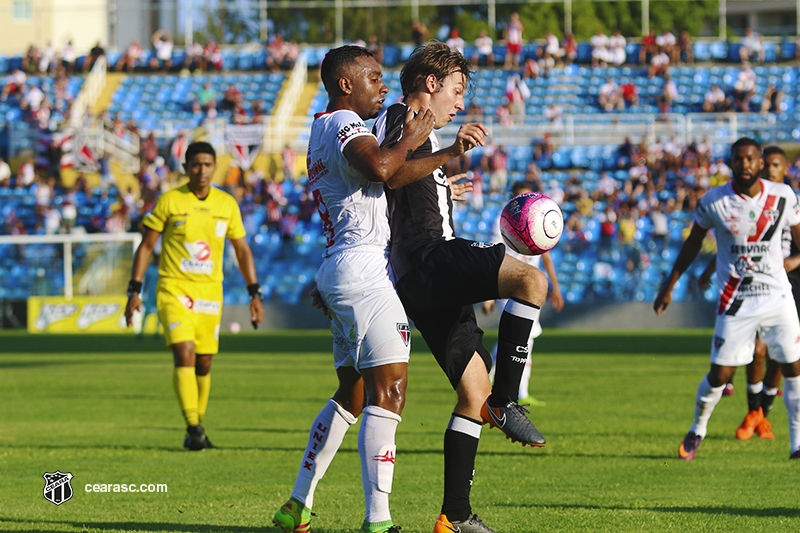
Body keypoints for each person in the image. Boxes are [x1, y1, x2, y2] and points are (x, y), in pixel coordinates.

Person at [375, 42, 549, 532]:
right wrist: (450, 153)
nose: (458, 103)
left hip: (421, 278)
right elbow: (388, 176)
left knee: (473, 392)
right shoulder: (401, 118)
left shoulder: (418, 135)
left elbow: (397, 185)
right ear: (430, 84)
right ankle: (509, 400)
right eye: (455, 90)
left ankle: (454, 517)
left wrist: (441, 187)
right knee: (531, 279)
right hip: (431, 258)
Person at [271, 45, 437, 533]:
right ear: (346, 85)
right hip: (363, 272)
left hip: (341, 266)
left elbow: (386, 172)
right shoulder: (344, 125)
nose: (383, 87)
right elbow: (384, 168)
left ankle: (298, 504)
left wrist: (447, 155)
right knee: (391, 390)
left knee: (353, 392)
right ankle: (379, 521)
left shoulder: (322, 129)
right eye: (374, 78)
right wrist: (409, 137)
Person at [654, 138, 800, 461]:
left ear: (760, 163)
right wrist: (670, 282)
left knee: (794, 367)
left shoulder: (783, 197)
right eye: (738, 159)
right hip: (736, 300)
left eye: (751, 159)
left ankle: (797, 443)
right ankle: (697, 429)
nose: (745, 165)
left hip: (777, 296)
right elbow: (693, 244)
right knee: (719, 376)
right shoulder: (714, 201)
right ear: (731, 163)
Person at [124, 142, 265, 450]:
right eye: (195, 165)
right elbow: (146, 246)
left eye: (207, 164)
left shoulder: (227, 205)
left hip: (210, 292)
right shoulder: (169, 201)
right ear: (186, 168)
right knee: (184, 353)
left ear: (215, 167)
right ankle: (194, 426)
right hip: (173, 288)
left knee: (203, 363)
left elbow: (242, 250)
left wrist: (255, 294)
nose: (201, 170)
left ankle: (195, 430)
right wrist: (134, 290)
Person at [698, 146, 800, 441]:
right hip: (756, 284)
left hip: (790, 281)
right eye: (765, 164)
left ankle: (762, 415)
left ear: (785, 170)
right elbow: (734, 241)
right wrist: (707, 271)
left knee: (782, 358)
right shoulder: (751, 199)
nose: (769, 170)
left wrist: (792, 261)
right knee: (758, 351)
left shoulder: (786, 199)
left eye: (775, 165)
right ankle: (755, 412)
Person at [484, 182, 564, 405]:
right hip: (508, 283)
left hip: (530, 286)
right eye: (519, 197)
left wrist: (555, 288)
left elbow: (545, 256)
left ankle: (489, 375)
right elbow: (494, 255)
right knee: (521, 337)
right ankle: (520, 391)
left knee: (517, 338)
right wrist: (489, 294)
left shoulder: (537, 218)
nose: (523, 202)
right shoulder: (502, 221)